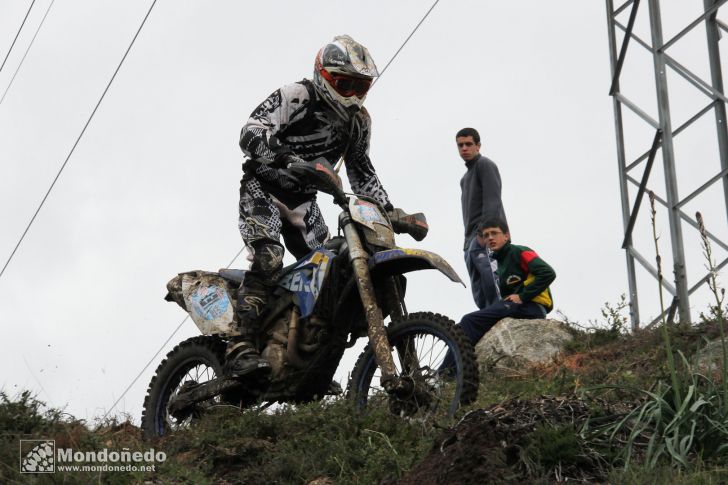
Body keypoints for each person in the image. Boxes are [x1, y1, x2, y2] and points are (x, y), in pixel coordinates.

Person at [228, 35, 394, 377]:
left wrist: (390, 212)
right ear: (324, 75)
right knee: (269, 258)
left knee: (330, 272)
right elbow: (250, 132)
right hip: (264, 187)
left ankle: (303, 357)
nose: (351, 94)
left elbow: (362, 173)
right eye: (343, 84)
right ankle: (239, 345)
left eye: (359, 86)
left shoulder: (359, 122)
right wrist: (288, 159)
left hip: (305, 201)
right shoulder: (298, 95)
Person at [440, 218, 555, 372]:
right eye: (486, 235)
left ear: (506, 236)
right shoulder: (499, 262)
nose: (490, 238)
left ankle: (445, 373)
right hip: (519, 308)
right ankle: (456, 372)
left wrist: (522, 296)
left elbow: (548, 273)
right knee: (467, 326)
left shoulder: (520, 251)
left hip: (532, 307)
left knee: (469, 320)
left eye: (494, 233)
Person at [457, 127, 507, 309]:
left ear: (478, 146)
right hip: (470, 241)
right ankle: (488, 323)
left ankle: (501, 317)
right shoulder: (464, 179)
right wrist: (468, 243)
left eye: (468, 144)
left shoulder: (485, 165)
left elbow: (493, 202)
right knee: (479, 290)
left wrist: (484, 235)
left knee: (492, 283)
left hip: (486, 237)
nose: (464, 148)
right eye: (460, 145)